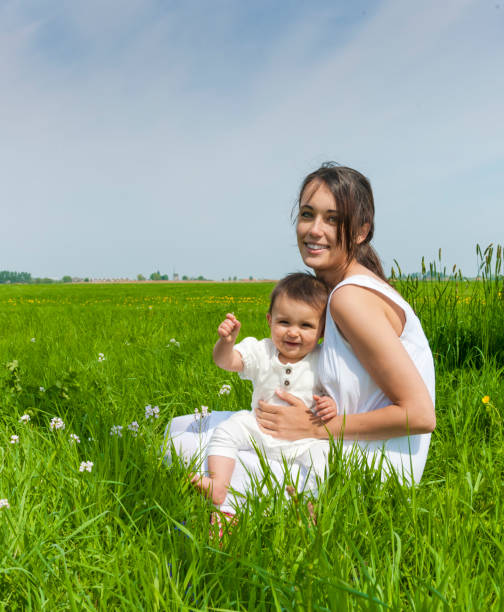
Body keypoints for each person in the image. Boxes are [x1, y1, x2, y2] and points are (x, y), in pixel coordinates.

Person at [163, 163, 435, 514]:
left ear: (361, 232)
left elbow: (421, 415)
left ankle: (248, 514)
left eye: (333, 219)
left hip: (369, 467)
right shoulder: (342, 287)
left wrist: (317, 429)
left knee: (180, 445)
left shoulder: (350, 298)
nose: (314, 230)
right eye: (308, 214)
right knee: (181, 425)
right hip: (344, 443)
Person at [191, 273, 337, 505]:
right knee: (228, 431)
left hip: (304, 439)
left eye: (306, 325)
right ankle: (218, 485)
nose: (293, 332)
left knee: (323, 457)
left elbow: (334, 394)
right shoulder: (262, 351)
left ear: (322, 331)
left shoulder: (323, 360)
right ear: (270, 320)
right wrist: (226, 344)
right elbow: (226, 362)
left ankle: (309, 504)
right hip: (259, 428)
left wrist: (331, 404)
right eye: (284, 322)